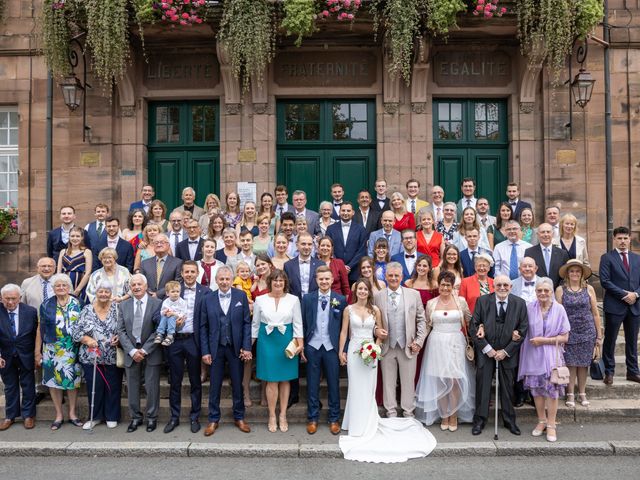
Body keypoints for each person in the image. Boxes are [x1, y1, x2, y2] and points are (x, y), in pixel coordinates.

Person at [339, 278, 436, 463]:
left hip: (371, 352)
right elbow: (344, 332)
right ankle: (354, 424)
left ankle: (370, 421)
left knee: (369, 388)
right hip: (353, 351)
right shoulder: (348, 310)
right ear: (355, 291)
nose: (362, 292)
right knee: (355, 387)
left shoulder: (374, 309)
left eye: (364, 289)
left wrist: (374, 347)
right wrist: (341, 351)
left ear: (368, 292)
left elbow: (380, 331)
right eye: (359, 289)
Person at [470, 274, 529, 436]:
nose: (502, 288)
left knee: (508, 388)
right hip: (486, 352)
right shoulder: (483, 301)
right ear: (493, 286)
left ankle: (509, 421)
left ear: (510, 287)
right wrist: (488, 349)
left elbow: (523, 330)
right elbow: (473, 326)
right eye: (499, 285)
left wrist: (506, 351)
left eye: (505, 285)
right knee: (483, 387)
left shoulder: (519, 303)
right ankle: (480, 420)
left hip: (507, 353)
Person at [415, 270, 474, 430]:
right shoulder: (431, 303)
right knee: (440, 379)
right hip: (436, 343)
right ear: (438, 285)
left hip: (455, 342)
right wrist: (419, 342)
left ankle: (453, 414)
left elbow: (469, 321)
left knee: (454, 380)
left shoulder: (461, 301)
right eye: (442, 285)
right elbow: (427, 325)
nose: (445, 288)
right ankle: (444, 414)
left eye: (448, 285)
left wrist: (480, 331)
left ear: (452, 285)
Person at [200, 266, 252, 436]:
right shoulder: (208, 298)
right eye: (221, 279)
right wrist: (205, 351)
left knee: (238, 384)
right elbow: (203, 326)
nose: (224, 282)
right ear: (216, 280)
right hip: (215, 348)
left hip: (235, 348)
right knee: (215, 385)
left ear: (232, 279)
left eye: (227, 279)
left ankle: (239, 417)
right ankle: (213, 419)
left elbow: (246, 323)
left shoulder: (241, 296)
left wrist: (246, 346)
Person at [518, 277, 571, 442]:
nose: (542, 293)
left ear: (552, 292)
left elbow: (565, 337)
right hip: (533, 354)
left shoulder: (560, 309)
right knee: (537, 390)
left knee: (552, 391)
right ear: (535, 292)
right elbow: (523, 328)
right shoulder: (529, 308)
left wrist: (544, 341)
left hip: (551, 355)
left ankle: (551, 424)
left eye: (546, 290)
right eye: (539, 290)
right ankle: (541, 421)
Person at [251, 270, 303, 432]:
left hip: (286, 340)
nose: (278, 284)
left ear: (285, 283)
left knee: (285, 379)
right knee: (271, 380)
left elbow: (298, 324)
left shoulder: (294, 300)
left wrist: (300, 344)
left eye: (281, 281)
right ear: (270, 282)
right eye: (275, 281)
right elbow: (255, 324)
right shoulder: (260, 299)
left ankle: (283, 415)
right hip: (266, 341)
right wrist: (248, 346)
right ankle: (272, 415)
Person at [373, 262, 427, 418]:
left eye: (397, 275)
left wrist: (418, 341)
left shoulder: (413, 295)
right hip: (387, 346)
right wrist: (376, 330)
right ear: (386, 276)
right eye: (390, 275)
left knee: (408, 381)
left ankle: (408, 411)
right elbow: (373, 320)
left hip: (408, 345)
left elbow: (421, 320)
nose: (394, 278)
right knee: (388, 382)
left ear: (402, 277)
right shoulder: (378, 296)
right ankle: (390, 411)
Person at [163, 261, 209, 434]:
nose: (189, 274)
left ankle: (194, 416)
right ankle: (174, 417)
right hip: (174, 340)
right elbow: (157, 313)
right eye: (186, 272)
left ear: (197, 273)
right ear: (181, 274)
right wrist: (168, 317)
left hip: (193, 341)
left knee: (195, 381)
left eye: (192, 272)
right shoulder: (173, 289)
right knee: (175, 381)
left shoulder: (205, 292)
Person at [70, 281, 123, 430]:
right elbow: (76, 332)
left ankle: (112, 416)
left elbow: (124, 329)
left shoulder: (118, 310)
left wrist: (119, 338)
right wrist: (87, 340)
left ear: (111, 294)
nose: (104, 294)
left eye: (107, 292)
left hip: (112, 355)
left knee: (113, 386)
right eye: (101, 291)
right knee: (95, 386)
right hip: (91, 356)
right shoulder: (86, 309)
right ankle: (95, 417)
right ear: (96, 293)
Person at [301, 266, 347, 435]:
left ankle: (334, 418)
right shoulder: (307, 299)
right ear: (316, 280)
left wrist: (343, 350)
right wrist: (303, 346)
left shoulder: (340, 300)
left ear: (332, 279)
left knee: (333, 383)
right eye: (321, 279)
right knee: (312, 383)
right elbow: (304, 324)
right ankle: (312, 418)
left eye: (327, 279)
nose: (324, 282)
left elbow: (344, 327)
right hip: (313, 346)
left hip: (331, 347)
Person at [117, 273, 163, 433]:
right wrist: (131, 350)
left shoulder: (157, 303)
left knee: (152, 387)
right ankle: (135, 418)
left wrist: (143, 350)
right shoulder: (123, 305)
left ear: (146, 286)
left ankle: (151, 418)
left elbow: (159, 329)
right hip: (131, 352)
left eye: (139, 284)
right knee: (132, 387)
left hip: (151, 352)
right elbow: (121, 330)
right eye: (133, 285)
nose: (136, 287)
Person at [38, 274, 83, 430]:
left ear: (69, 287)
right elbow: (40, 329)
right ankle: (58, 415)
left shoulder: (78, 303)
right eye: (58, 285)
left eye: (64, 285)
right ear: (53, 288)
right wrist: (38, 352)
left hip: (72, 348)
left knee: (73, 382)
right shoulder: (46, 305)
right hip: (52, 349)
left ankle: (72, 413)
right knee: (54, 383)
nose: (61, 288)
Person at [556, 259, 602, 407]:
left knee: (583, 364)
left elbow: (595, 313)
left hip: (587, 331)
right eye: (572, 271)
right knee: (570, 363)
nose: (575, 273)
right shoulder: (560, 290)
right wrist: (558, 334)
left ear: (582, 273)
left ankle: (582, 392)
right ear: (567, 274)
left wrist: (599, 335)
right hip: (568, 331)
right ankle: (570, 393)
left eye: (577, 271)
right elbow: (557, 314)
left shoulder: (589, 289)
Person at [599, 226, 640, 385]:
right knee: (610, 340)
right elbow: (605, 281)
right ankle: (608, 372)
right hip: (615, 305)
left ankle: (633, 372)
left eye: (625, 238)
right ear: (614, 239)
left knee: (632, 340)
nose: (622, 241)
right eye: (619, 238)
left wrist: (635, 294)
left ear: (630, 239)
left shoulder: (637, 258)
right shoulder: (607, 258)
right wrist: (625, 295)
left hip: (635, 305)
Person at [0, 284, 38, 431]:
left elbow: (36, 335)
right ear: (1, 298)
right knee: (10, 387)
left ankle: (28, 416)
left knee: (28, 385)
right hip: (5, 355)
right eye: (7, 299)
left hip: (26, 354)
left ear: (20, 298)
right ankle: (10, 416)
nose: (10, 302)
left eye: (13, 299)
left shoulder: (31, 312)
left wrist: (37, 353)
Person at [326, 202, 367, 283]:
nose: (345, 213)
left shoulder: (361, 229)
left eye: (348, 211)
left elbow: (361, 250)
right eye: (343, 210)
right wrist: (340, 266)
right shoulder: (331, 229)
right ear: (339, 212)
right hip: (335, 271)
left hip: (354, 272)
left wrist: (349, 266)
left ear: (353, 212)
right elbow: (329, 249)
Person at [524, 223, 569, 289]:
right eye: (542, 232)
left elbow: (566, 275)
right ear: (538, 235)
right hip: (537, 291)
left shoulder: (562, 253)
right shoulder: (529, 252)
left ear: (552, 234)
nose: (545, 235)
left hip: (557, 291)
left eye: (548, 232)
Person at [139, 233, 183, 299]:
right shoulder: (144, 263)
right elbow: (141, 281)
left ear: (168, 245)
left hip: (169, 300)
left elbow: (177, 282)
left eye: (162, 242)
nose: (159, 245)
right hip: (148, 299)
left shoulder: (178, 262)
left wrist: (158, 294)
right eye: (156, 243)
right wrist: (149, 293)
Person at [56, 226, 93, 302]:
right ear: (69, 237)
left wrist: (77, 290)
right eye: (72, 236)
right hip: (64, 286)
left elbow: (88, 273)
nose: (75, 238)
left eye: (77, 236)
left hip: (81, 286)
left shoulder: (86, 252)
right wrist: (60, 287)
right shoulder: (63, 252)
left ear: (82, 237)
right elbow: (58, 273)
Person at [284, 232, 322, 298]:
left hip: (314, 303)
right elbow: (286, 288)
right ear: (297, 245)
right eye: (303, 244)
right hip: (294, 303)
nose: (306, 247)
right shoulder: (288, 266)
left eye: (309, 244)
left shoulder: (320, 265)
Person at [154, 280, 187, 347]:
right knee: (164, 317)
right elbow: (161, 312)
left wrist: (174, 314)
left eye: (177, 291)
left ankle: (170, 335)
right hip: (167, 317)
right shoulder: (166, 301)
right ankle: (160, 333)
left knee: (171, 317)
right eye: (173, 292)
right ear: (167, 293)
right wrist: (165, 312)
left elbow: (183, 313)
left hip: (178, 318)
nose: (175, 293)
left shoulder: (182, 302)